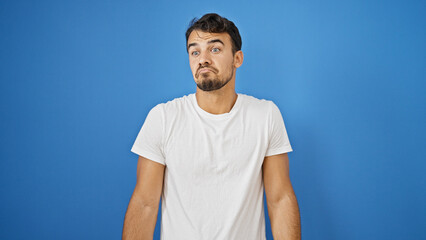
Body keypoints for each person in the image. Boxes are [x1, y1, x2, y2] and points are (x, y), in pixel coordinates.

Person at [122, 13, 301, 240]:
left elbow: (279, 200)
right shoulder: (163, 117)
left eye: (214, 49)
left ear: (238, 59)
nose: (203, 59)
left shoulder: (265, 115)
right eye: (195, 51)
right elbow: (145, 204)